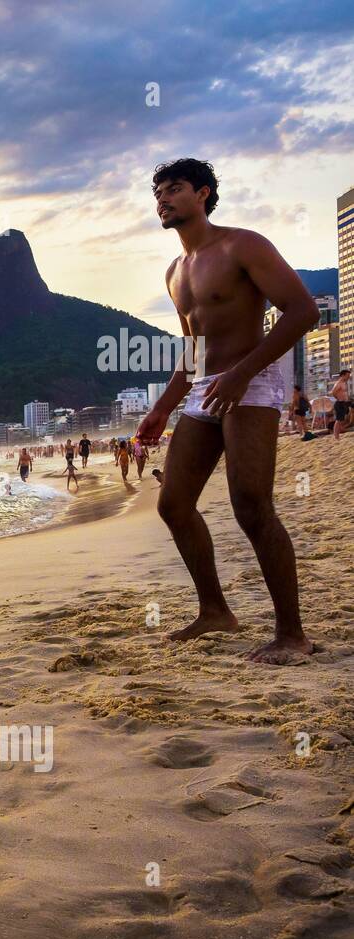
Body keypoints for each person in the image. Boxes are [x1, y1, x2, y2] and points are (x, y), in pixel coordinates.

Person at [137, 158, 317, 664]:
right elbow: (193, 350)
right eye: (158, 194)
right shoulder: (175, 272)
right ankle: (215, 610)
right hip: (205, 390)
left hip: (253, 380)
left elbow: (303, 311)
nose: (163, 201)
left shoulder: (243, 245)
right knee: (173, 504)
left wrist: (241, 373)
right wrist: (163, 408)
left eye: (174, 190)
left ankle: (292, 634)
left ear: (203, 194)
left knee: (251, 505)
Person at [332, 370, 351, 442]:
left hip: (344, 403)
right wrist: (338, 398)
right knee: (338, 420)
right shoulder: (338, 383)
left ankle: (338, 435)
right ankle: (336, 437)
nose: (349, 377)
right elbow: (333, 392)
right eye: (347, 375)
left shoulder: (344, 383)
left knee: (342, 420)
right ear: (343, 375)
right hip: (339, 403)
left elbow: (344, 393)